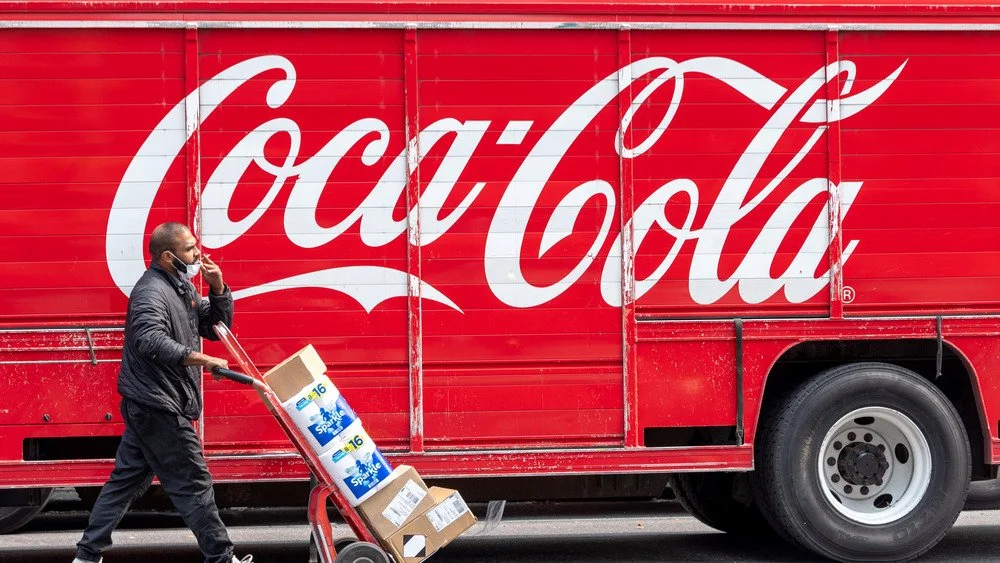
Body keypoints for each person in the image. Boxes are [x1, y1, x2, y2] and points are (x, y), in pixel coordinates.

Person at [73, 222, 251, 563]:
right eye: (190, 249)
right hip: (158, 405)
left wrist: (219, 289)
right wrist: (199, 359)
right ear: (169, 256)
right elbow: (149, 340)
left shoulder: (179, 285)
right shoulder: (151, 292)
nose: (198, 253)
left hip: (150, 403)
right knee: (194, 483)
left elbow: (214, 327)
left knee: (125, 482)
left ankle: (87, 555)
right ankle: (221, 556)